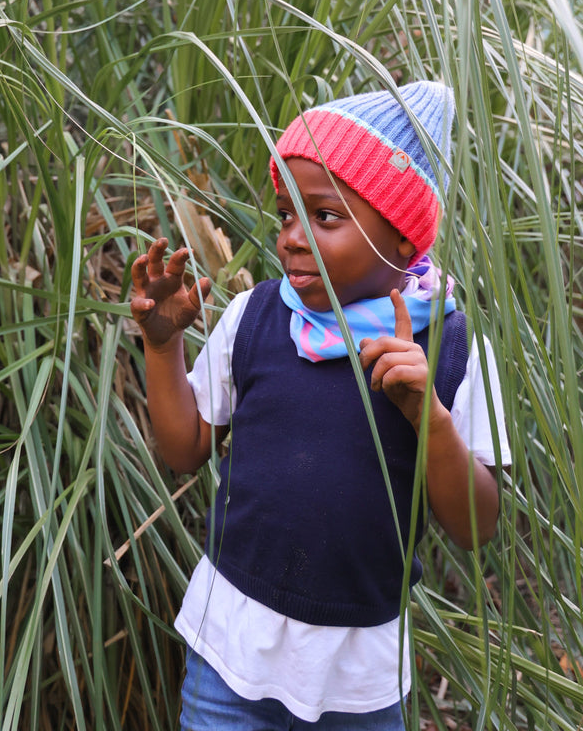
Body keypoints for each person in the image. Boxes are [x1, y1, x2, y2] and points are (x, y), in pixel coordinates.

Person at [130, 81, 510, 730]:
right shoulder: (255, 319)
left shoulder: (451, 352)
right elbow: (183, 449)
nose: (292, 238)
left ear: (402, 238)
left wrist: (430, 419)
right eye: (285, 214)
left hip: (359, 679)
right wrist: (162, 348)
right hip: (229, 653)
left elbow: (476, 525)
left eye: (325, 217)